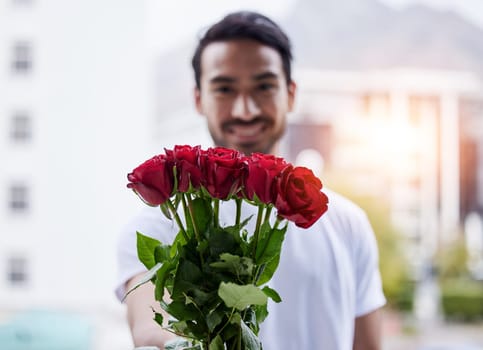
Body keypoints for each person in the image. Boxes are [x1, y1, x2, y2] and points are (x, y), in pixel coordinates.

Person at [116, 11, 386, 350]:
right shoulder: (160, 226)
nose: (245, 109)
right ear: (198, 99)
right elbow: (152, 329)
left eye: (263, 87)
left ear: (290, 94)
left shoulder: (348, 223)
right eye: (225, 89)